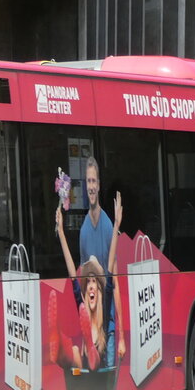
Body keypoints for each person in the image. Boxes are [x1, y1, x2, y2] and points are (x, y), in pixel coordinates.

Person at [56, 192, 122, 371]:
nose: (91, 286)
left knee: (79, 352)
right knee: (75, 351)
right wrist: (61, 233)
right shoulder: (82, 309)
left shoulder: (106, 317)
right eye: (89, 282)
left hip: (102, 379)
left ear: (100, 292)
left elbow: (109, 267)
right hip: (86, 380)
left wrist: (116, 225)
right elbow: (72, 273)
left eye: (95, 282)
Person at [73, 155, 125, 361]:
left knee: (111, 387)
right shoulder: (84, 230)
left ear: (99, 185)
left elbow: (116, 283)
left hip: (109, 329)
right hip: (92, 332)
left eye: (94, 181)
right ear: (84, 185)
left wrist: (122, 337)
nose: (91, 186)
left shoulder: (106, 226)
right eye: (88, 181)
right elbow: (84, 285)